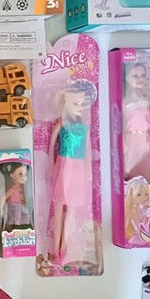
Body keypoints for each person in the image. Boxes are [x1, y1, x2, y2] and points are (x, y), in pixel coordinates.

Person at [47, 81, 99, 268]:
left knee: (72, 211)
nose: (80, 107)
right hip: (64, 166)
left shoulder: (84, 126)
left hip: (78, 169)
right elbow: (51, 148)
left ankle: (64, 249)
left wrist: (88, 172)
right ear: (66, 103)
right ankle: (56, 250)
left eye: (82, 104)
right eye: (76, 103)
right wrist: (51, 167)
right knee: (59, 208)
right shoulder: (61, 123)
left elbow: (87, 151)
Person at [123, 63, 150, 178]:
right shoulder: (124, 102)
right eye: (135, 76)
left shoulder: (147, 100)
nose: (140, 79)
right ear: (126, 77)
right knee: (130, 172)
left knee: (148, 172)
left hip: (147, 141)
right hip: (131, 142)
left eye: (143, 75)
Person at [1, 162, 31, 232]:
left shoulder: (22, 189)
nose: (24, 177)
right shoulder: (12, 189)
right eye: (20, 174)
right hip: (13, 206)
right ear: (12, 175)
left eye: (25, 174)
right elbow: (3, 198)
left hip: (21, 206)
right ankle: (14, 229)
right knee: (16, 217)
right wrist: (1, 209)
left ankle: (24, 227)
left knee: (25, 214)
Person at [124, 176, 150, 242]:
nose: (143, 198)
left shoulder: (139, 209)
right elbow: (141, 226)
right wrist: (145, 212)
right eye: (139, 195)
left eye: (146, 194)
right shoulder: (133, 210)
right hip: (138, 238)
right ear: (132, 195)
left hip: (142, 237)